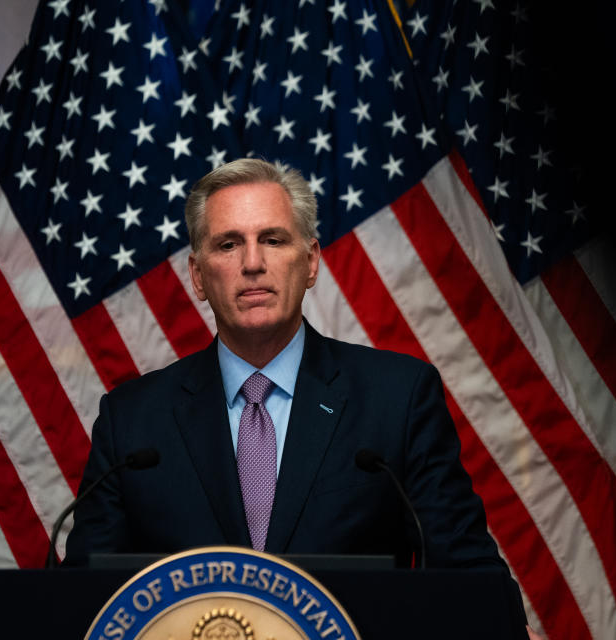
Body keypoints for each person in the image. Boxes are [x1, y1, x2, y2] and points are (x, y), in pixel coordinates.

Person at [64, 158, 508, 572]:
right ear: (198, 276)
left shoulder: (397, 399)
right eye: (228, 244)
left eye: (273, 240)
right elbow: (82, 601)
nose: (253, 263)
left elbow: (464, 571)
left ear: (311, 262)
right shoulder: (132, 423)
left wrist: (501, 623)